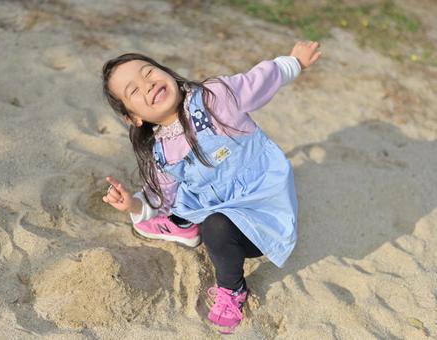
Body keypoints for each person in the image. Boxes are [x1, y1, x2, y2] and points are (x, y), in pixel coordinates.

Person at [101, 41, 321, 333]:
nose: (148, 84)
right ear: (134, 118)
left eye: (148, 72)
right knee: (188, 200)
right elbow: (159, 198)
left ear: (165, 72)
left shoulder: (215, 97)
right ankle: (182, 225)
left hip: (260, 212)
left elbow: (261, 78)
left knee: (215, 226)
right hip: (214, 203)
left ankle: (232, 289)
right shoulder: (162, 153)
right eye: (134, 91)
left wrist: (295, 62)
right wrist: (133, 206)